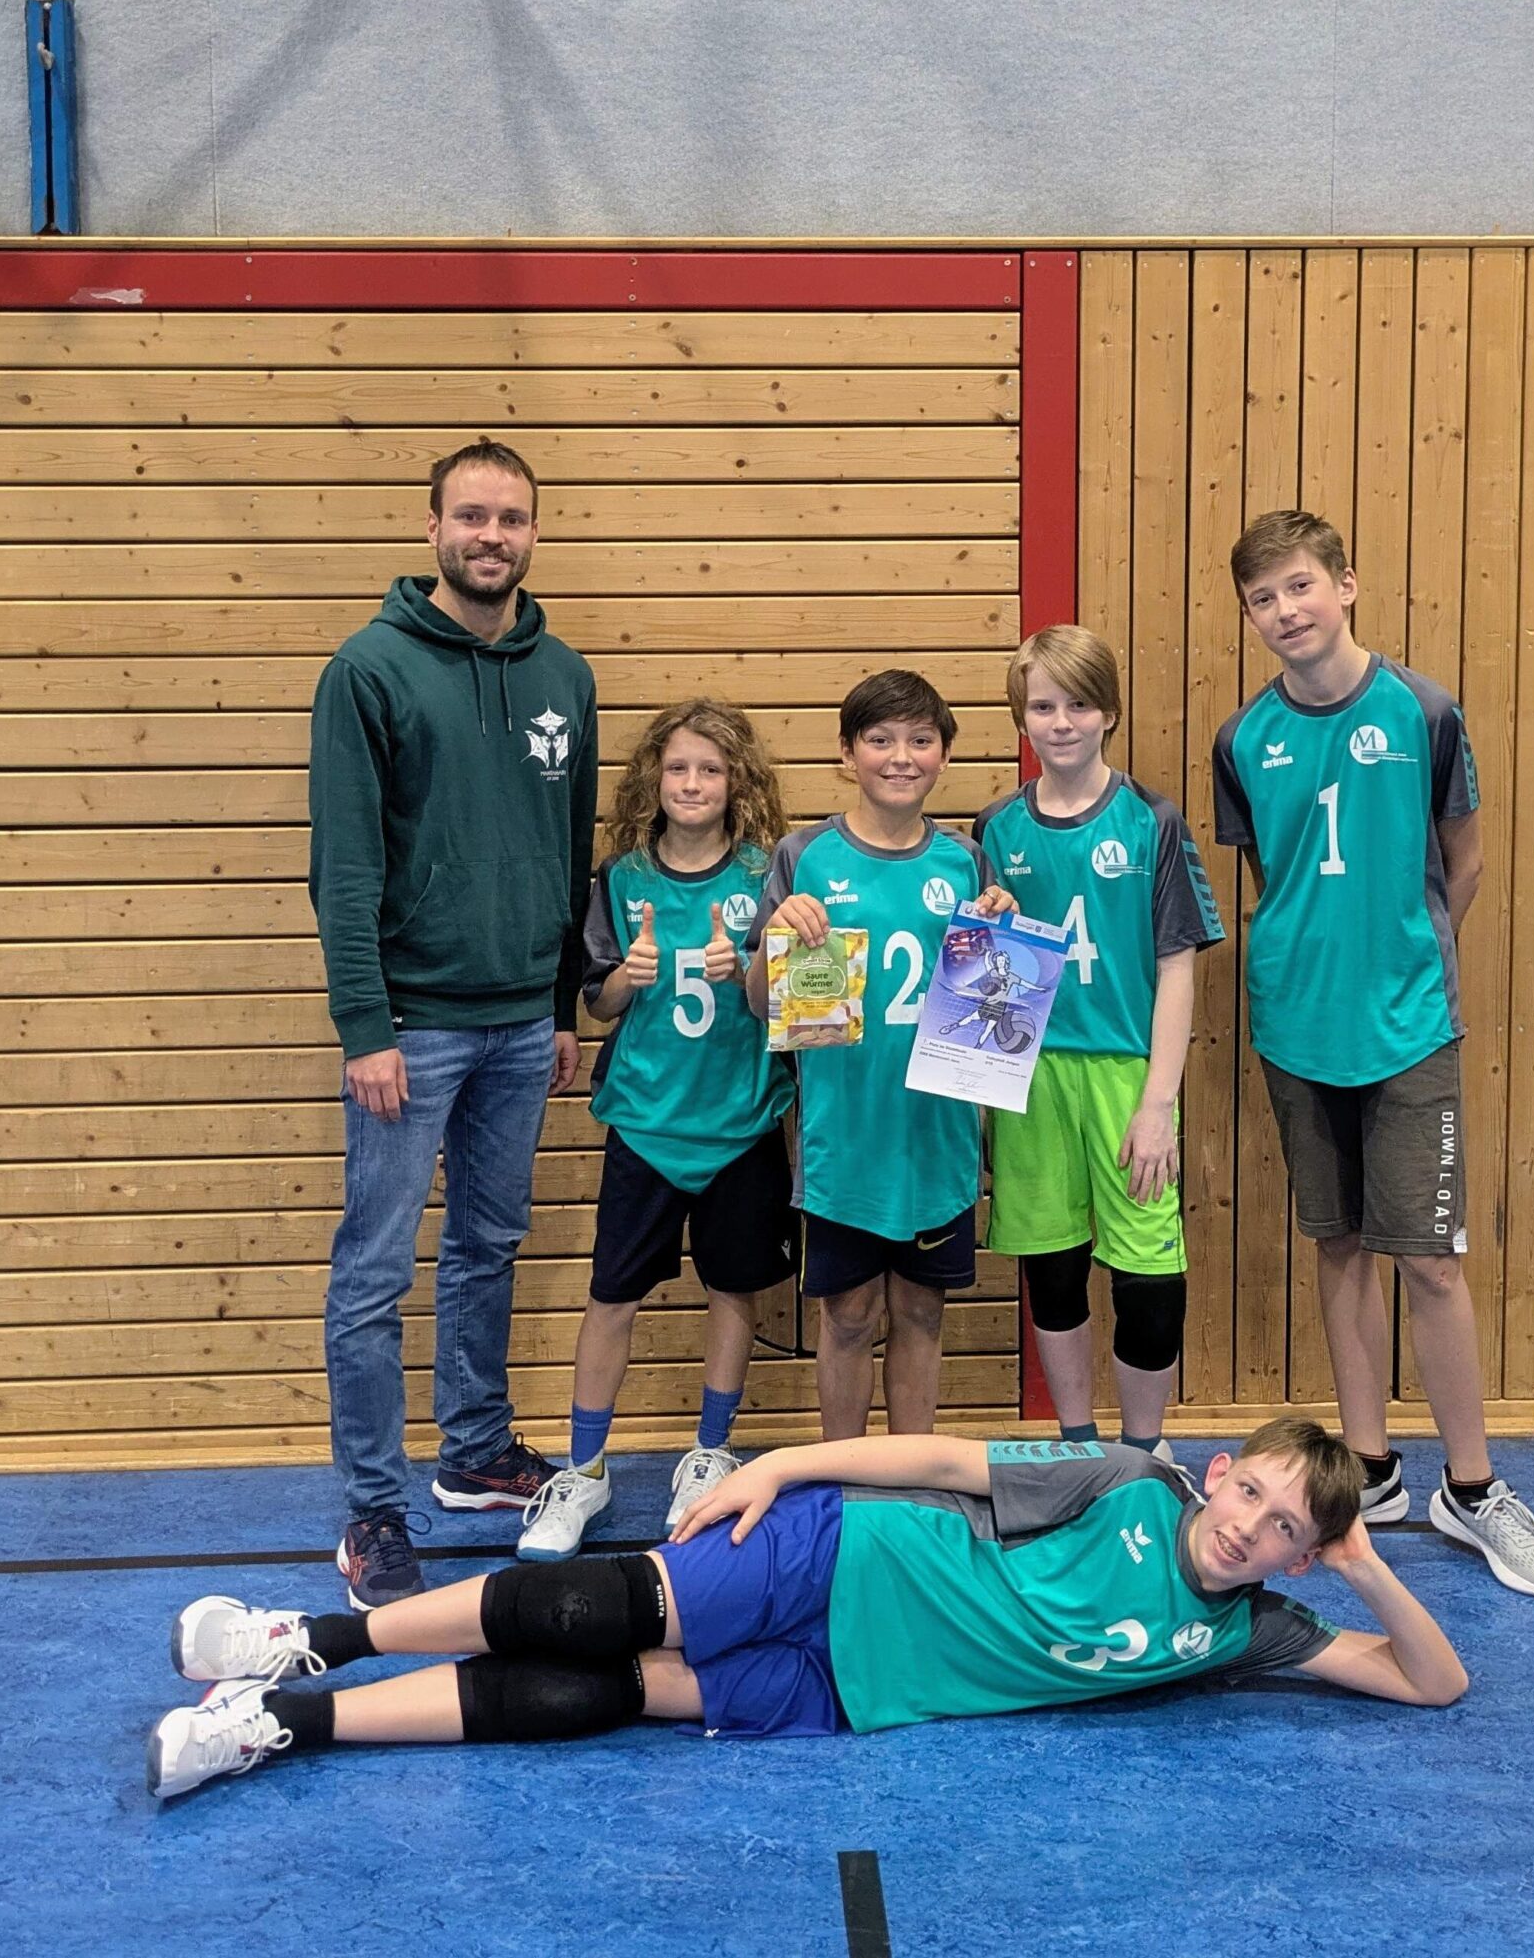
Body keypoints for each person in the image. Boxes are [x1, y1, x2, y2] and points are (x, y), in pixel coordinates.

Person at [145, 1417, 1467, 1798]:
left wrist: (1366, 1562)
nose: (1250, 1528)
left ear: (1302, 1557)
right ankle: (307, 1642)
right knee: (593, 1606)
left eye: (1286, 1530)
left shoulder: (1250, 1631)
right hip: (843, 1555)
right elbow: (944, 1460)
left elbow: (1431, 1681)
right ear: (1222, 1470)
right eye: (1254, 1494)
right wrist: (782, 1465)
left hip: (857, 1690)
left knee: (608, 1693)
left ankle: (280, 1729)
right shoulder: (1124, 1481)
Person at [1212, 510, 1534, 1602]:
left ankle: (1472, 1488)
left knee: (1430, 1260)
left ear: (1347, 584)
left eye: (1300, 586)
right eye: (1263, 598)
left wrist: (1402, 955)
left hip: (1408, 1025)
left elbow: (1464, 863)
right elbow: (1271, 879)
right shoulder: (1243, 738)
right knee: (1338, 1247)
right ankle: (1369, 1472)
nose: (1285, 611)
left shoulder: (1422, 710)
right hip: (1296, 1026)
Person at [306, 439, 595, 1609]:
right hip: (411, 1028)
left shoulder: (563, 675)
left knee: (489, 1245)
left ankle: (474, 1451)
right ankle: (373, 1510)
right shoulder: (367, 670)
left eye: (510, 519)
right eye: (471, 516)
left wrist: (560, 1002)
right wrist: (363, 1025)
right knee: (373, 1272)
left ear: (533, 533)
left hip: (522, 1023)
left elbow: (569, 853)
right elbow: (343, 867)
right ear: (432, 528)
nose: (491, 536)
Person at [513, 700, 798, 1561]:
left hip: (741, 1120)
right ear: (654, 778)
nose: (693, 783)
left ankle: (710, 1451)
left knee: (733, 1290)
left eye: (711, 768)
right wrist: (626, 980)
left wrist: (746, 969)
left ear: (737, 781)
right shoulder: (622, 877)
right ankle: (584, 1469)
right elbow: (597, 1002)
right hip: (645, 1121)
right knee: (611, 1295)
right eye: (678, 767)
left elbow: (793, 1003)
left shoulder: (768, 873)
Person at [973, 626, 1224, 1456]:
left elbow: (1177, 967)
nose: (1062, 722)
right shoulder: (995, 827)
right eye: (1043, 706)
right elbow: (982, 968)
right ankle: (1080, 1449)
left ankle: (1142, 1454)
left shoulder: (1151, 819)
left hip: (1125, 1075)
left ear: (1110, 712)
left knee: (1150, 1277)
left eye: (1079, 704)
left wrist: (1158, 1103)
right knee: (1053, 1269)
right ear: (1021, 717)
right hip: (1030, 1075)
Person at [744, 670, 1013, 1440]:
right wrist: (776, 939)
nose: (901, 756)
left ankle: (910, 1480)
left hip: (937, 1137)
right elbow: (762, 1003)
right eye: (880, 739)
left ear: (945, 755)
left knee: (922, 1311)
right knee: (851, 1313)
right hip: (843, 1138)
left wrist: (1004, 929)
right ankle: (846, 1480)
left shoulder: (965, 860)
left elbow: (994, 999)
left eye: (921, 740)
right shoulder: (804, 855)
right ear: (846, 753)